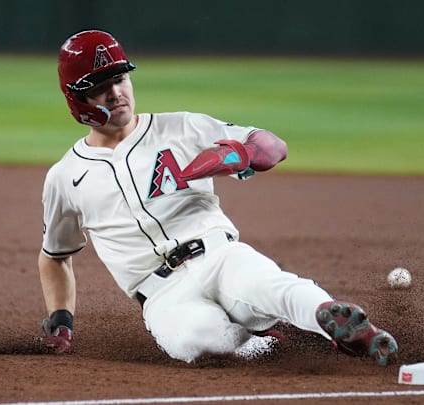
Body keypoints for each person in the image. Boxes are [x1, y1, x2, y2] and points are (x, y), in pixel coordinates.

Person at [39, 29, 398, 365]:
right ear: (78, 99)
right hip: (163, 294)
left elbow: (272, 145)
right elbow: (55, 257)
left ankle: (348, 327)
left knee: (272, 286)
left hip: (220, 255)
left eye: (120, 79)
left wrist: (243, 154)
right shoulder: (65, 176)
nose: (116, 93)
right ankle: (272, 337)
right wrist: (61, 319)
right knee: (201, 341)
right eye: (102, 87)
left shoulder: (182, 127)